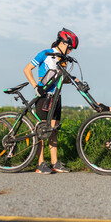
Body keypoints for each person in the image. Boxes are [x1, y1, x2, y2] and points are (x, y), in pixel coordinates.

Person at [23, 28, 79, 174]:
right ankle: (40, 163)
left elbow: (61, 78)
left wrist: (75, 80)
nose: (71, 51)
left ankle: (55, 163)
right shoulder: (45, 54)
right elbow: (27, 69)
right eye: (70, 47)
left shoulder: (63, 60)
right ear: (62, 42)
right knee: (42, 130)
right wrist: (36, 86)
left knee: (53, 130)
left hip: (56, 97)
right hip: (44, 97)